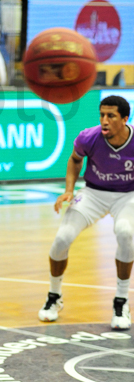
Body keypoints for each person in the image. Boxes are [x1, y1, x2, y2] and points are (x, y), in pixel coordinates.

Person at [39, 95, 134, 330]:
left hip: (128, 195)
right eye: (102, 115)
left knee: (124, 232)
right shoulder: (88, 137)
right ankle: (54, 296)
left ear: (124, 119)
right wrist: (69, 190)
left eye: (110, 116)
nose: (104, 121)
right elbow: (74, 160)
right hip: (94, 192)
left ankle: (121, 301)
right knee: (62, 238)